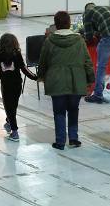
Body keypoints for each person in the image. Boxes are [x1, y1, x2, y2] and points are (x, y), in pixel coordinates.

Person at [39, 11, 95, 150]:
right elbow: (88, 62)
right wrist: (90, 79)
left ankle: (60, 141)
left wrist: (41, 76)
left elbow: (43, 62)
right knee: (73, 110)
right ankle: (74, 139)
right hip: (76, 81)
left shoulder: (49, 41)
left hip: (56, 81)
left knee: (59, 112)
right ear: (69, 23)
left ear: (56, 25)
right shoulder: (79, 41)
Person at [0, 34, 37, 142]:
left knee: (9, 108)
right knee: (13, 106)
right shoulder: (17, 55)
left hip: (6, 86)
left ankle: (14, 131)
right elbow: (24, 69)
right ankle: (9, 122)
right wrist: (35, 77)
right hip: (17, 85)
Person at [83, 3, 110, 103]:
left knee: (101, 66)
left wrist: (90, 37)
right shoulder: (106, 7)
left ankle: (98, 95)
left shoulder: (87, 14)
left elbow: (88, 38)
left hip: (109, 36)